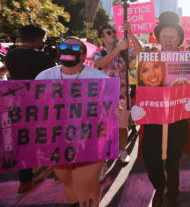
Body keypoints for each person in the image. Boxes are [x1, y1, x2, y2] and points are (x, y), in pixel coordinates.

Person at [132, 11, 190, 207]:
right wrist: (135, 107)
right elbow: (137, 87)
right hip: (152, 118)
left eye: (173, 35)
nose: (169, 38)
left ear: (179, 38)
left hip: (177, 118)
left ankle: (172, 192)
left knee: (173, 159)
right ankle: (159, 184)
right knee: (150, 156)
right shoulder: (146, 59)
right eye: (165, 35)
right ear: (158, 37)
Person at [35, 36, 111, 207]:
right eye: (64, 45)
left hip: (89, 140)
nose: (68, 49)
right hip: (58, 140)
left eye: (75, 48)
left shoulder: (99, 78)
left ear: (84, 56)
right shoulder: (44, 77)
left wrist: (114, 109)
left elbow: (108, 108)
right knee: (68, 180)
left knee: (84, 184)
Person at [5, 24, 55, 195]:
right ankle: (57, 172)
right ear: (38, 39)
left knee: (23, 141)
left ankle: (25, 181)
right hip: (41, 105)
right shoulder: (44, 59)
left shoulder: (11, 55)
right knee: (49, 137)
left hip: (17, 105)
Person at [93, 22, 143, 165]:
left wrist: (131, 33)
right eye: (109, 33)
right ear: (102, 38)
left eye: (113, 32)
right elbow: (101, 63)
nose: (113, 34)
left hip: (122, 96)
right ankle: (103, 159)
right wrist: (118, 48)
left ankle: (122, 150)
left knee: (122, 127)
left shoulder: (124, 52)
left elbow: (141, 50)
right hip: (103, 98)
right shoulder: (99, 53)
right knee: (104, 129)